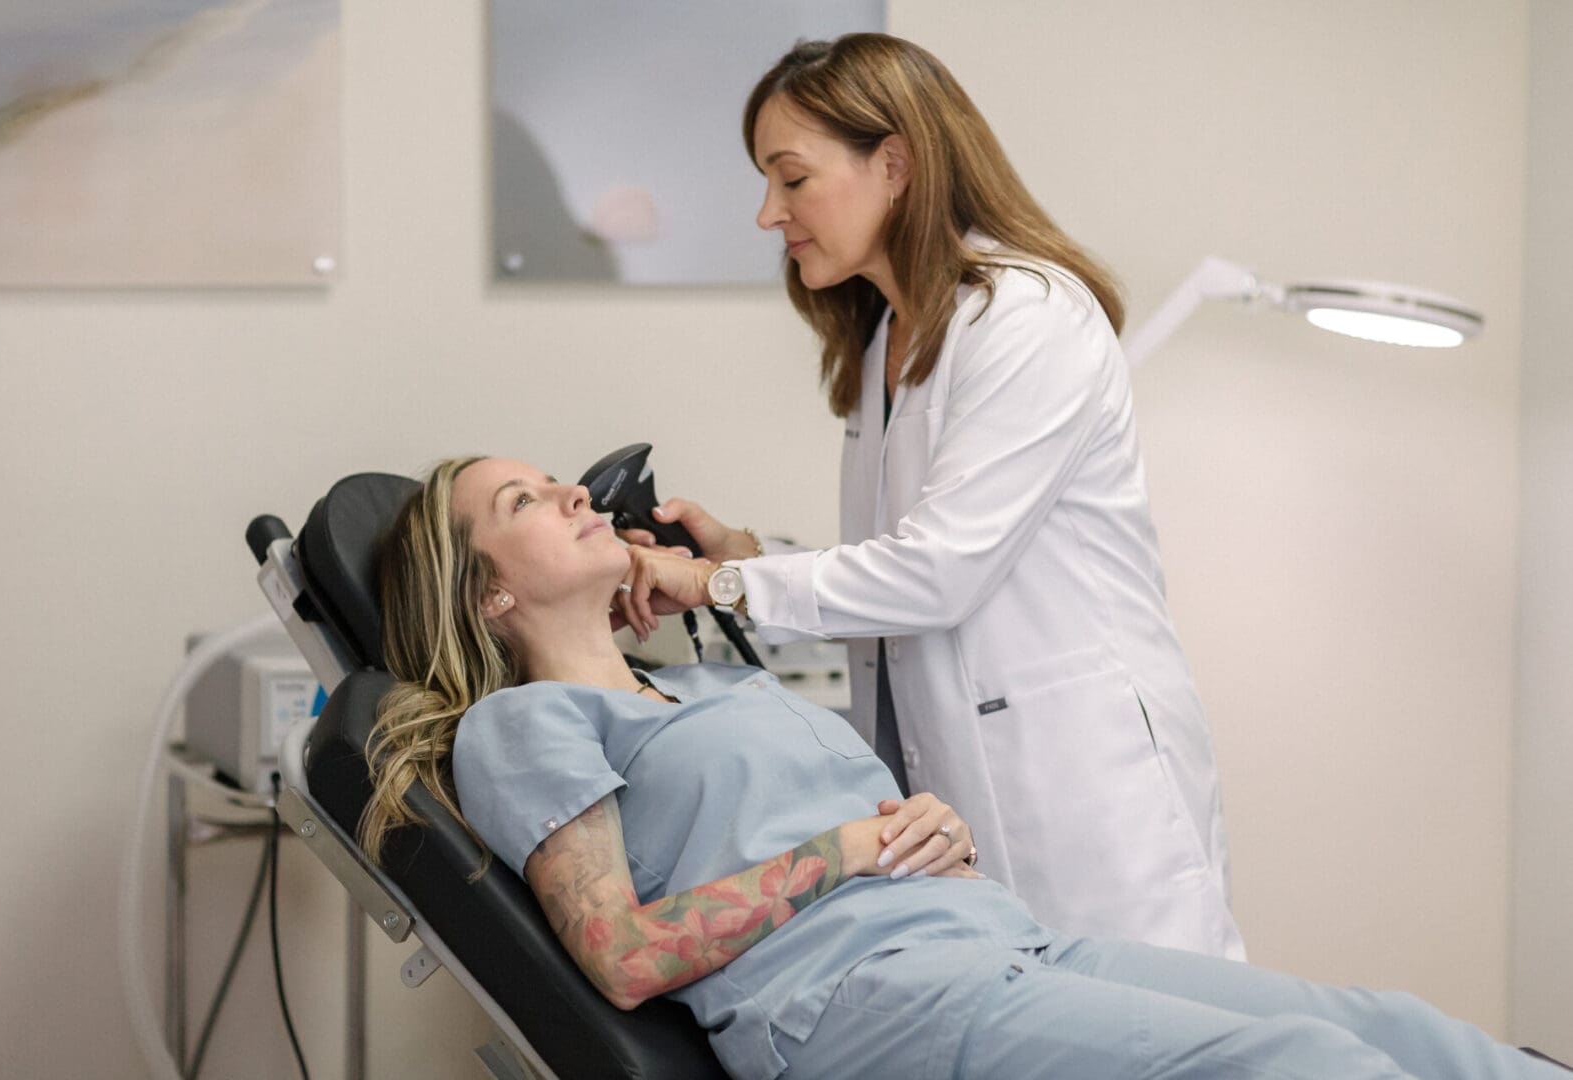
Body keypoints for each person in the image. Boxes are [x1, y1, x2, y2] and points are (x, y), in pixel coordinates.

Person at [354, 455, 1560, 1080]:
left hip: (992, 946)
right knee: (1304, 1070)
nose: (569, 488)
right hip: (847, 1010)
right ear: (490, 592)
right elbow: (619, 961)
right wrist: (854, 849)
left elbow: (840, 832)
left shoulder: (707, 685)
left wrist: (926, 832)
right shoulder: (523, 726)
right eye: (520, 498)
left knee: (1394, 1030)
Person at [615, 32, 1243, 958]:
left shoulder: (1026, 316)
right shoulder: (885, 343)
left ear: (895, 164)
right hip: (949, 786)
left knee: (1159, 1036)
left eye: (791, 178)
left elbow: (939, 574)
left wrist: (719, 588)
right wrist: (748, 560)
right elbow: (906, 566)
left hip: (1078, 784)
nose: (767, 214)